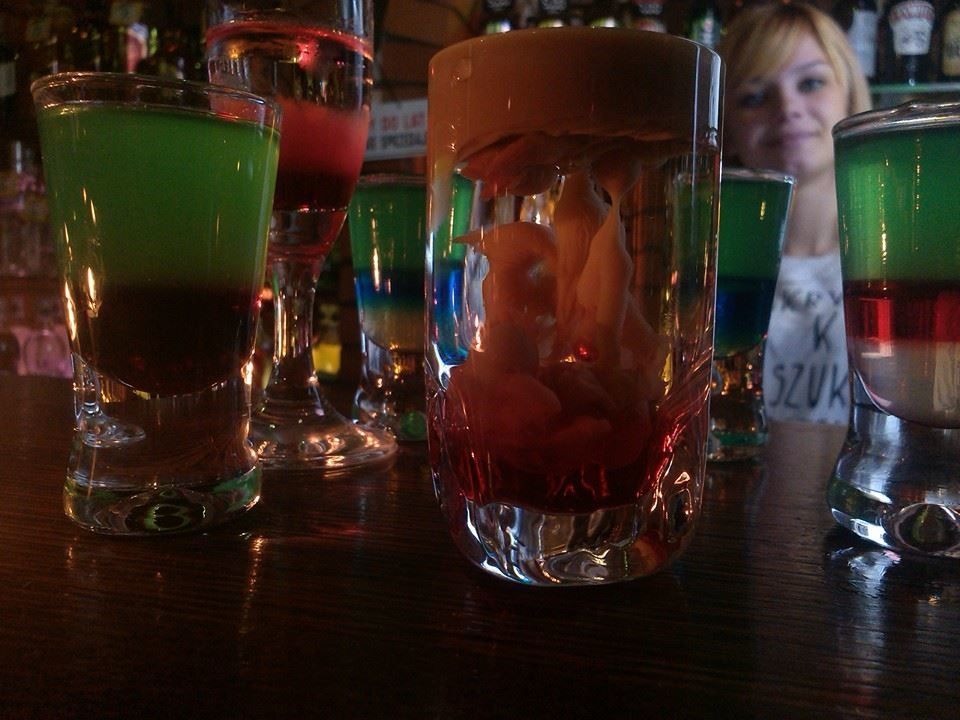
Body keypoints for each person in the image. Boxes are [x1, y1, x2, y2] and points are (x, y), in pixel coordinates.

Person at [717, 1, 872, 425]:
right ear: (726, 127)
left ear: (850, 96)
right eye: (754, 97)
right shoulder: (702, 273)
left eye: (810, 83)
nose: (787, 108)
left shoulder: (901, 263)